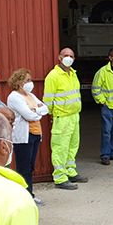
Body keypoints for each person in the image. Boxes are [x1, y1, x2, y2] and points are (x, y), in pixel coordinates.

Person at [43, 48, 88, 190]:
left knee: (73, 146)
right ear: (59, 57)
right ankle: (60, 177)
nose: (69, 58)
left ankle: (70, 171)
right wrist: (53, 114)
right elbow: (48, 99)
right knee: (60, 148)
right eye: (66, 55)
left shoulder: (73, 74)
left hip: (74, 116)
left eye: (71, 56)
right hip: (62, 117)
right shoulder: (53, 76)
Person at [7, 68, 48, 204]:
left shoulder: (30, 95)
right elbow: (28, 115)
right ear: (19, 82)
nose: (30, 83)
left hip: (35, 134)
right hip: (24, 137)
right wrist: (37, 111)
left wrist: (35, 110)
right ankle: (24, 196)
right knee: (23, 167)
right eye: (27, 80)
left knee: (30, 167)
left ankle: (29, 193)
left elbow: (45, 108)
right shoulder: (14, 97)